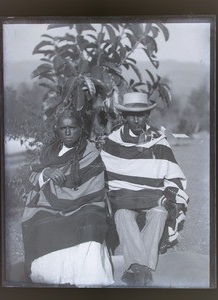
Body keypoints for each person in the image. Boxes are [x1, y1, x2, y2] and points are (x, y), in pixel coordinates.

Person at [101, 92, 189, 286]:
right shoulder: (112, 143)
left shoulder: (158, 142)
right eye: (131, 115)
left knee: (159, 213)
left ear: (147, 116)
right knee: (123, 214)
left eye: (141, 114)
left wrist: (169, 195)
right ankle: (143, 270)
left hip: (152, 199)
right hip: (123, 200)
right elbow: (106, 178)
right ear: (124, 116)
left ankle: (136, 268)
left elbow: (174, 175)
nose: (135, 119)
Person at [21, 108, 114, 287]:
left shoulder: (90, 152)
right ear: (58, 130)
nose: (68, 132)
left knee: (89, 221)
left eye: (72, 127)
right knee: (41, 222)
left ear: (81, 129)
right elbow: (34, 173)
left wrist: (70, 198)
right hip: (50, 203)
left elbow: (94, 185)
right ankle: (50, 277)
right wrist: (46, 172)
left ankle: (88, 278)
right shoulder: (49, 151)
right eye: (63, 128)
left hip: (85, 202)